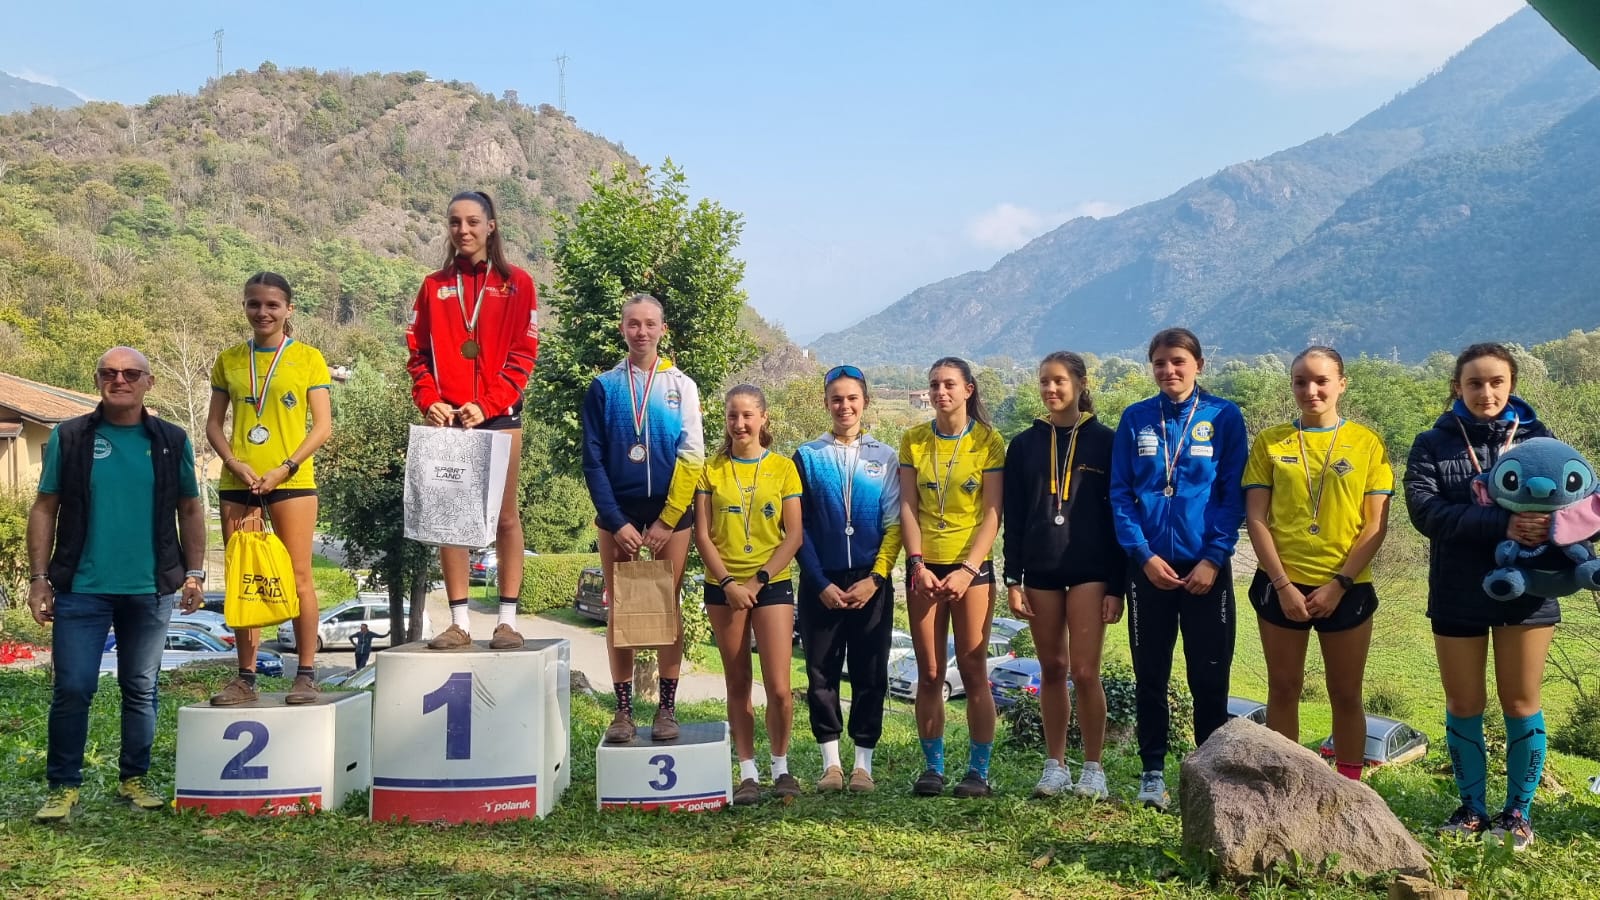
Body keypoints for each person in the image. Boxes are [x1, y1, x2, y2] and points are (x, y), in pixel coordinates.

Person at [26, 347, 207, 822]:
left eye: (130, 373)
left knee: (140, 687)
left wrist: (194, 572)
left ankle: (134, 778)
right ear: (97, 380)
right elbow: (45, 507)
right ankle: (63, 786)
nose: (119, 380)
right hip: (81, 587)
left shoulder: (170, 439)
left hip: (150, 589)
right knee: (73, 687)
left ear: (148, 382)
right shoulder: (70, 437)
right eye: (109, 373)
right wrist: (39, 578)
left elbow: (190, 508)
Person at [1405, 343, 1555, 850]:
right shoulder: (1432, 443)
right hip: (1457, 590)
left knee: (1521, 701)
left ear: (1512, 385)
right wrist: (1502, 523)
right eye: (1474, 383)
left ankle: (1517, 814)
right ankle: (1472, 809)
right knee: (1464, 702)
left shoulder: (1540, 440)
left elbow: (1575, 503)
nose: (1486, 392)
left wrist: (1553, 529)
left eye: (1496, 382)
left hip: (1530, 590)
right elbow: (1425, 512)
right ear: (1457, 387)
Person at [1109, 327, 1246, 811]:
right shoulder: (1136, 418)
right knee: (1151, 674)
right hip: (1149, 569)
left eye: (1178, 361)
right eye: (1160, 363)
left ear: (1198, 365)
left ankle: (1209, 774)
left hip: (1206, 569)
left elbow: (1233, 494)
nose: (1169, 370)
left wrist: (1214, 557)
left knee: (1209, 675)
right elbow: (1120, 494)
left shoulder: (1224, 416)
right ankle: (1152, 773)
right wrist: (1142, 555)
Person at [1242, 347, 1392, 781]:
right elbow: (1255, 518)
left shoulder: (1366, 443)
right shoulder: (1270, 442)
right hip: (1281, 584)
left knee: (1345, 693)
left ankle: (1349, 788)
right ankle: (1287, 783)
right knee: (1283, 689)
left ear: (1341, 384)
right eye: (1301, 381)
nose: (1311, 390)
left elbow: (1375, 525)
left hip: (1347, 586)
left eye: (1322, 380)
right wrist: (1283, 585)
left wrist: (1339, 583)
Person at [405, 190, 540, 650]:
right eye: (454, 222)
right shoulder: (433, 286)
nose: (463, 230)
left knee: (505, 517)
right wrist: (430, 400)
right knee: (451, 519)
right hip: (450, 420)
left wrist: (489, 403)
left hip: (500, 415)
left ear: (491, 226)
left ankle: (507, 622)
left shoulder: (517, 283)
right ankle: (459, 623)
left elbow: (524, 355)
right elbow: (417, 356)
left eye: (472, 222)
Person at [205, 272, 334, 706]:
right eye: (254, 304)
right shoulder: (229, 360)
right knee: (245, 578)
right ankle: (245, 678)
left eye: (272, 305)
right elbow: (213, 425)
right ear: (244, 306)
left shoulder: (308, 358)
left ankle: (306, 675)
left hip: (291, 481)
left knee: (298, 577)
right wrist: (233, 462)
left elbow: (322, 426)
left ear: (288, 309)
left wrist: (286, 467)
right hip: (238, 483)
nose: (262, 312)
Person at [581, 293, 704, 743]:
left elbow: (692, 456)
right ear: (622, 329)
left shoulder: (681, 386)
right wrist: (616, 521)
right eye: (633, 323)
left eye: (650, 324)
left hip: (670, 514)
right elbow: (593, 460)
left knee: (667, 608)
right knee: (621, 609)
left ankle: (666, 710)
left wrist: (668, 520)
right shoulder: (603, 387)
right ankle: (623, 711)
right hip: (619, 513)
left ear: (662, 330)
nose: (641, 332)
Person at [1002, 351, 1125, 800]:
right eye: (1044, 381)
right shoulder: (1024, 445)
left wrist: (1117, 586)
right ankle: (1054, 766)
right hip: (1040, 569)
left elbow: (1119, 518)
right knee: (1052, 668)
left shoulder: (1108, 442)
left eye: (1059, 381)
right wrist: (1012, 579)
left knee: (1086, 670)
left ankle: (1093, 768)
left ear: (1080, 383)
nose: (1050, 389)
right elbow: (1014, 518)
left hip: (1091, 570)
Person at [899, 357, 1006, 798]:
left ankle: (978, 772)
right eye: (934, 385)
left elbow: (993, 513)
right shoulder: (914, 439)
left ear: (968, 390)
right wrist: (916, 564)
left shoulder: (988, 441)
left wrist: (967, 570)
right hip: (925, 567)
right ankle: (933, 768)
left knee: (973, 668)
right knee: (929, 672)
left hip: (971, 569)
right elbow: (908, 507)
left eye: (949, 385)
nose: (940, 392)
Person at [793, 365, 901, 793]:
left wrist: (876, 578)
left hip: (870, 582)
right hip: (821, 580)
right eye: (836, 399)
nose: (845, 406)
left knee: (870, 672)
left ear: (865, 402)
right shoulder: (807, 456)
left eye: (852, 398)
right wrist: (818, 581)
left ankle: (862, 766)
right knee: (821, 672)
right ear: (826, 403)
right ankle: (831, 765)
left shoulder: (884, 456)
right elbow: (797, 528)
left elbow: (894, 524)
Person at [694, 385, 803, 805]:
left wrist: (757, 582)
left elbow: (793, 536)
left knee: (779, 687)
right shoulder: (711, 469)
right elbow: (703, 535)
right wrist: (727, 584)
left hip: (770, 583)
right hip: (723, 587)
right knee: (737, 682)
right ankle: (747, 772)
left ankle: (781, 767)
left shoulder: (783, 468)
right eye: (732, 416)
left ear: (763, 418)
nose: (739, 424)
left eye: (747, 416)